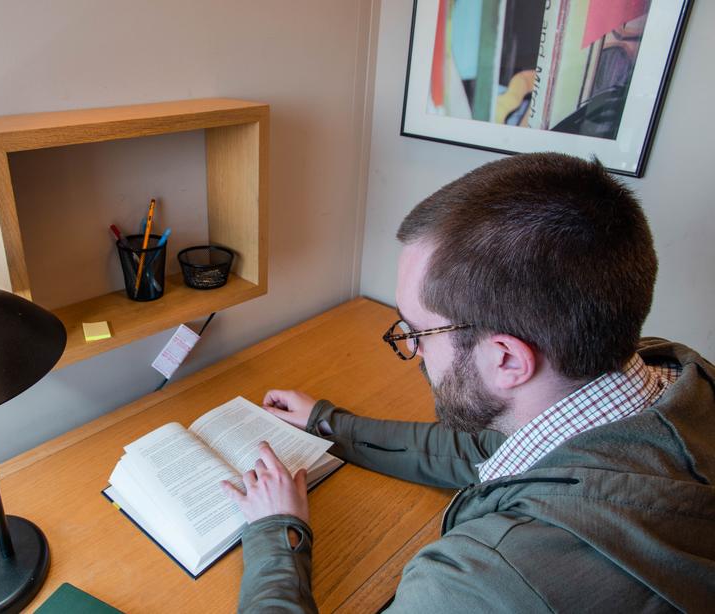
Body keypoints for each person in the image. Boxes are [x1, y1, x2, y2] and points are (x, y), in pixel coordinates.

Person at [220, 153, 715, 612]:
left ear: (506, 359)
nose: (410, 349)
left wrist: (275, 533)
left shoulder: (481, 580)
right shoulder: (671, 378)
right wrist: (327, 424)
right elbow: (487, 449)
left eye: (418, 332)